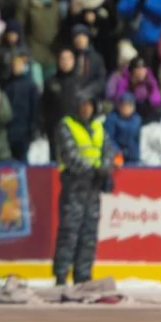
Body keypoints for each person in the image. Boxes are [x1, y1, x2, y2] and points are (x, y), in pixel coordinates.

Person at [53, 93, 117, 287]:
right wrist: (93, 169)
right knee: (69, 231)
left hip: (93, 187)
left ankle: (83, 274)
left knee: (89, 233)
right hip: (74, 186)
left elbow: (108, 151)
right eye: (83, 105)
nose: (86, 109)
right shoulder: (67, 125)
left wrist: (105, 168)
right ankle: (62, 274)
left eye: (90, 105)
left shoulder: (98, 127)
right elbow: (70, 155)